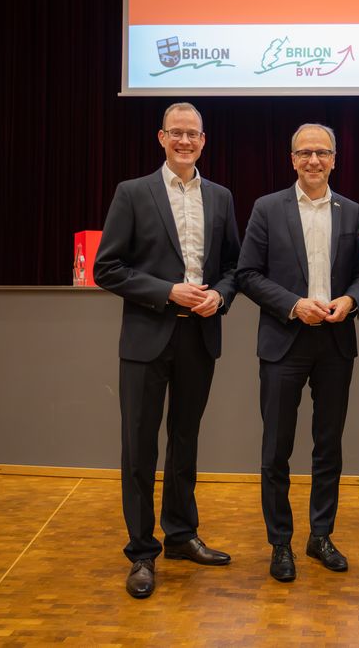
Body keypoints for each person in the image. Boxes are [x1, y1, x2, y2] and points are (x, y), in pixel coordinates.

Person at [94, 102, 241, 599]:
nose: (185, 141)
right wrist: (167, 291)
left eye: (193, 134)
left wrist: (220, 294)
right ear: (161, 137)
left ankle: (180, 535)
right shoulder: (132, 193)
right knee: (139, 448)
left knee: (185, 443)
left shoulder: (220, 197)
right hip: (146, 338)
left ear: (204, 141)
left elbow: (233, 266)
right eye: (176, 133)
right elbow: (107, 268)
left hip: (199, 336)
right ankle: (141, 551)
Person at [236, 123, 359, 583]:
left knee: (328, 448)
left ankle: (321, 536)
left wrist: (350, 300)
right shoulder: (266, 208)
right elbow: (248, 273)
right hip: (284, 341)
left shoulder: (350, 211)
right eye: (305, 152)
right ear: (292, 159)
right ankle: (280, 544)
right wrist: (293, 305)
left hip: (335, 341)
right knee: (276, 449)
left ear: (334, 159)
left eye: (322, 152)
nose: (314, 160)